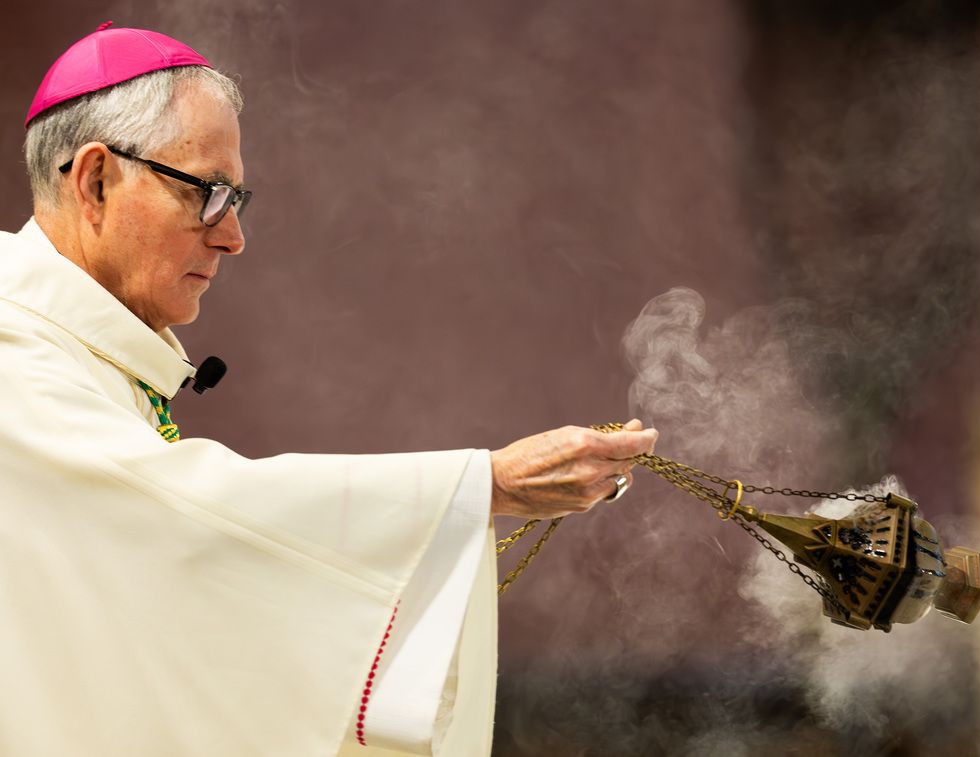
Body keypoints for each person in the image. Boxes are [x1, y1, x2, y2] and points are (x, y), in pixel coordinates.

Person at [0, 24, 658, 757]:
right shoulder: (15, 359)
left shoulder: (80, 356)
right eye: (210, 194)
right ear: (95, 180)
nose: (233, 237)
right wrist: (484, 484)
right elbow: (187, 518)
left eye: (237, 199)